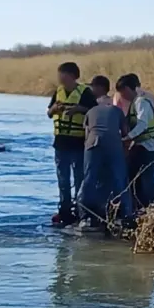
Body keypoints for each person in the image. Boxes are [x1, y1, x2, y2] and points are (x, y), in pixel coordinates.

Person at [47, 62, 98, 225]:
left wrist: (78, 109)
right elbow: (49, 113)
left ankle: (80, 210)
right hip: (60, 143)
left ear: (70, 75)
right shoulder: (58, 92)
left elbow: (95, 112)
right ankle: (64, 211)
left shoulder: (85, 92)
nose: (59, 77)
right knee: (62, 179)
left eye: (61, 74)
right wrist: (54, 109)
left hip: (78, 142)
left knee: (79, 179)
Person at [76, 102, 134, 232]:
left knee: (88, 180)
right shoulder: (117, 111)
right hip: (113, 143)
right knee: (120, 179)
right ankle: (126, 217)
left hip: (92, 143)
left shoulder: (91, 110)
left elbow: (87, 134)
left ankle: (85, 217)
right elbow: (126, 132)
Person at [115, 74, 154, 210]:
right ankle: (140, 207)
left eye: (123, 93)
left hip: (148, 148)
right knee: (134, 179)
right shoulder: (136, 101)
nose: (123, 96)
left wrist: (128, 138)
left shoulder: (141, 102)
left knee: (146, 182)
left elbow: (142, 124)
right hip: (141, 147)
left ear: (127, 88)